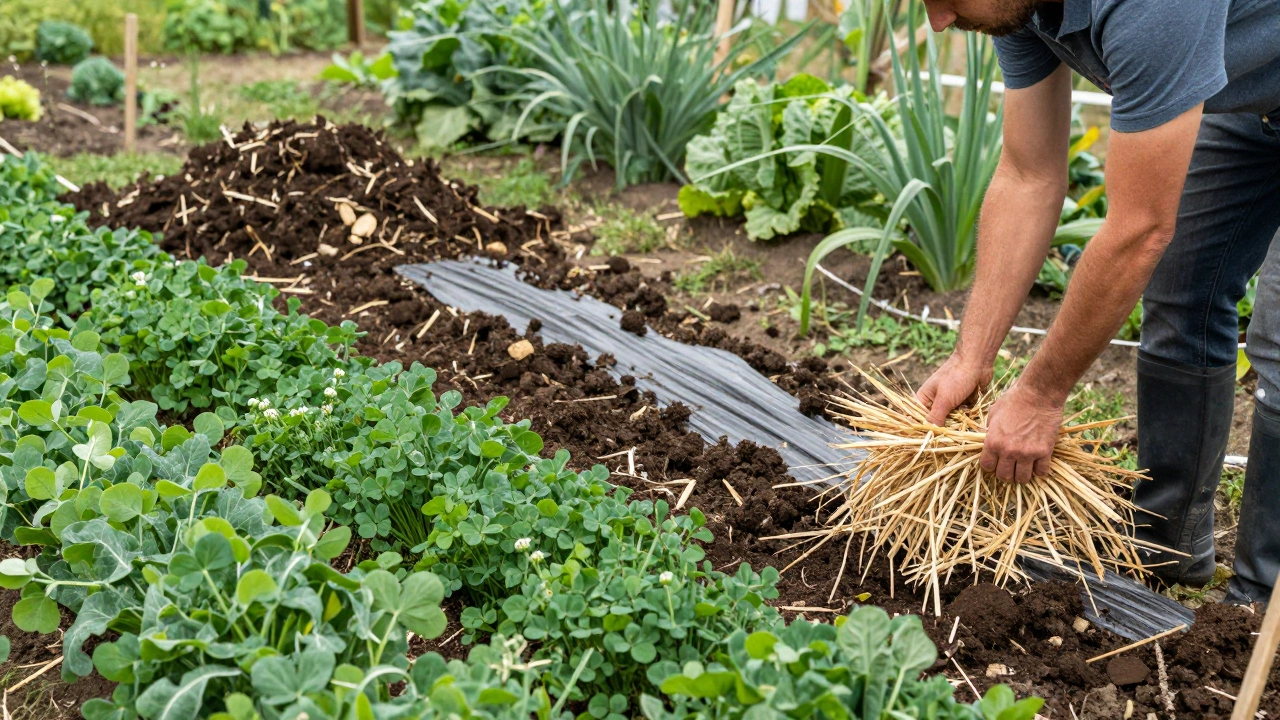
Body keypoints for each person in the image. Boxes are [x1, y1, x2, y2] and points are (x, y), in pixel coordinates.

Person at [912, 0, 1280, 603]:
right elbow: (1028, 176)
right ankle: (1166, 550)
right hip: (1245, 95)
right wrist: (969, 358)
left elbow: (1138, 229)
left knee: (1277, 345)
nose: (940, 20)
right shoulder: (1019, 8)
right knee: (1182, 285)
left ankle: (1261, 605)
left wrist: (1038, 396)